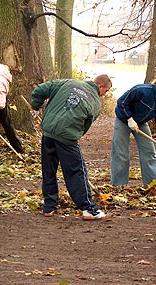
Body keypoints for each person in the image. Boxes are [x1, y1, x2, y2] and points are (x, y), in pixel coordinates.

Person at [30, 74, 113, 220]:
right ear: (100, 86)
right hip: (67, 138)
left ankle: (49, 207)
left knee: (49, 169)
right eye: (105, 91)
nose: (104, 95)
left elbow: (40, 90)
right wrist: (74, 135)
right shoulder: (95, 102)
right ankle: (88, 209)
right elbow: (86, 125)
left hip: (48, 133)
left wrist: (35, 106)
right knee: (76, 172)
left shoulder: (67, 83)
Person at [110, 76, 156, 187]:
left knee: (149, 152)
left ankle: (153, 184)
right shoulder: (141, 90)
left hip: (141, 123)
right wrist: (129, 119)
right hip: (123, 120)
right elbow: (122, 102)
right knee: (121, 152)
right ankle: (119, 185)